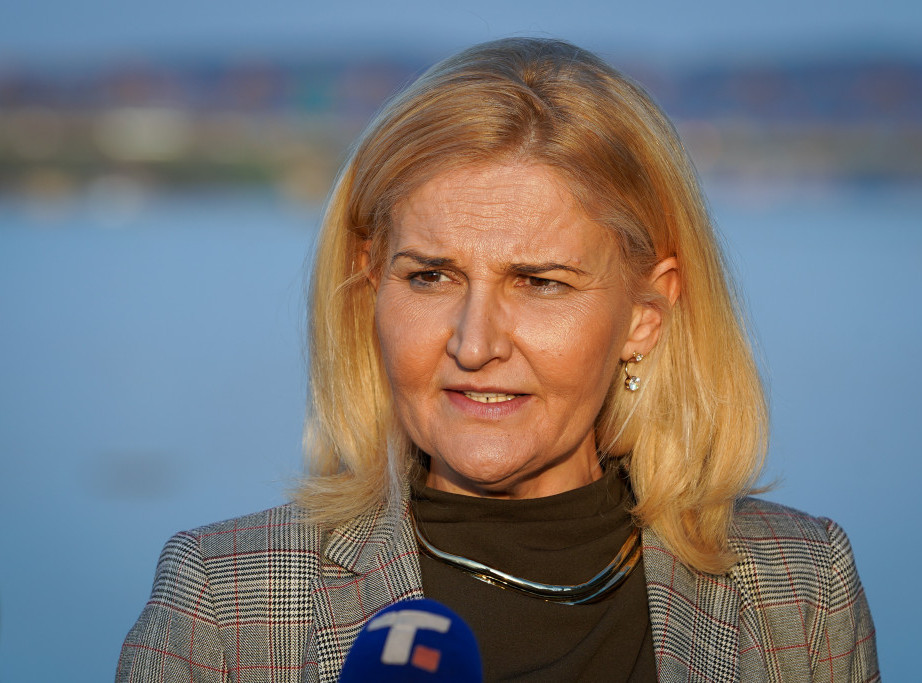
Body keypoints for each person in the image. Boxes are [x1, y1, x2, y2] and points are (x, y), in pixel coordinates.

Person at [116, 38, 879, 682]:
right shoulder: (224, 606)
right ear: (371, 287)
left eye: (540, 282)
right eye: (431, 276)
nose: (475, 343)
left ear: (644, 316)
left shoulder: (801, 592)